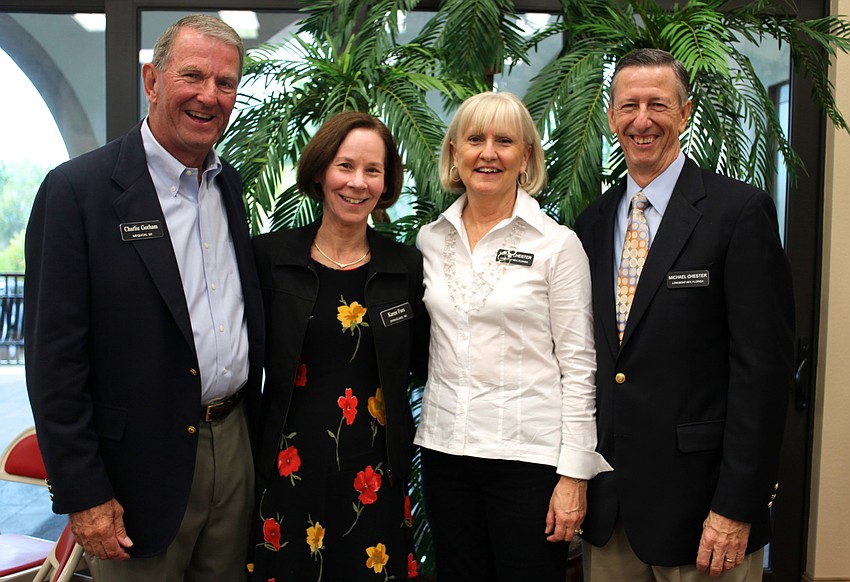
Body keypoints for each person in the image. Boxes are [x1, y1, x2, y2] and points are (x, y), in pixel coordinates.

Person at [24, 15, 264, 581]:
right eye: (193, 76)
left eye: (225, 83)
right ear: (152, 81)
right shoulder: (77, 192)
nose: (210, 95)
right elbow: (54, 363)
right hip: (136, 469)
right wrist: (84, 493)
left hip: (233, 444)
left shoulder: (227, 185)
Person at [573, 48, 795, 581]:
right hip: (611, 511)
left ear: (685, 111)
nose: (642, 120)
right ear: (611, 116)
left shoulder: (737, 213)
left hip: (704, 514)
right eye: (629, 106)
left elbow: (763, 371)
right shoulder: (591, 223)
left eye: (658, 104)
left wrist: (736, 506)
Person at [415, 91, 612, 582]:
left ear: (526, 157)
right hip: (445, 453)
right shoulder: (430, 240)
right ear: (454, 152)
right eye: (475, 139)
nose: (488, 153)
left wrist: (574, 474)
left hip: (528, 462)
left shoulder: (557, 245)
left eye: (504, 141)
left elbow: (579, 366)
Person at [249, 111, 428, 581]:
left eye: (373, 170)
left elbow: (427, 362)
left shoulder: (406, 267)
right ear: (320, 171)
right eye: (345, 166)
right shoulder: (268, 259)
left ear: (386, 183)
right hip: (287, 467)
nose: (358, 183)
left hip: (374, 472)